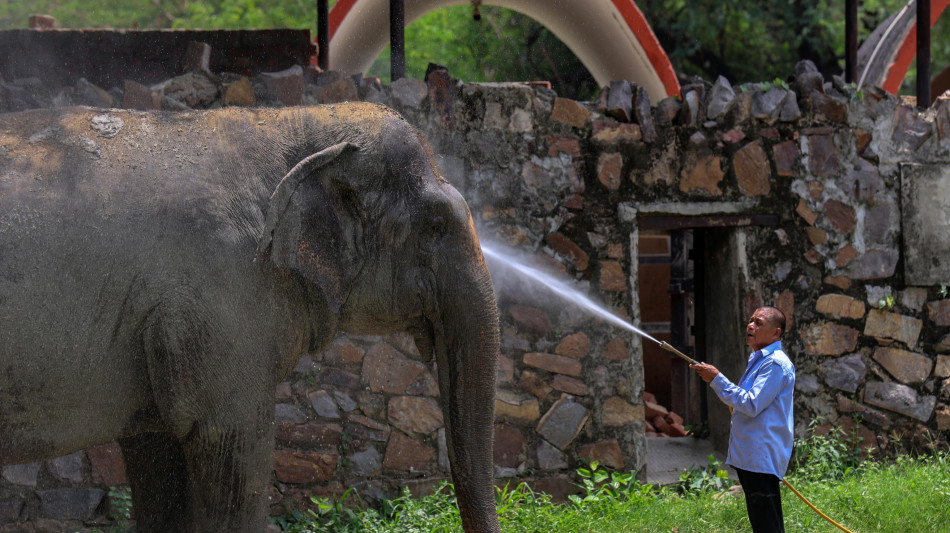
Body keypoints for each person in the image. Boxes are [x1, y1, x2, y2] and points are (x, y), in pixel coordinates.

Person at [690, 306, 795, 533]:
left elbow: (750, 404)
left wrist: (716, 379)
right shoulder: (759, 359)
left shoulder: (774, 364)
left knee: (767, 526)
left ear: (776, 333)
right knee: (764, 523)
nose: (750, 326)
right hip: (753, 456)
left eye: (758, 323)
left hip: (761, 455)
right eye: (750, 321)